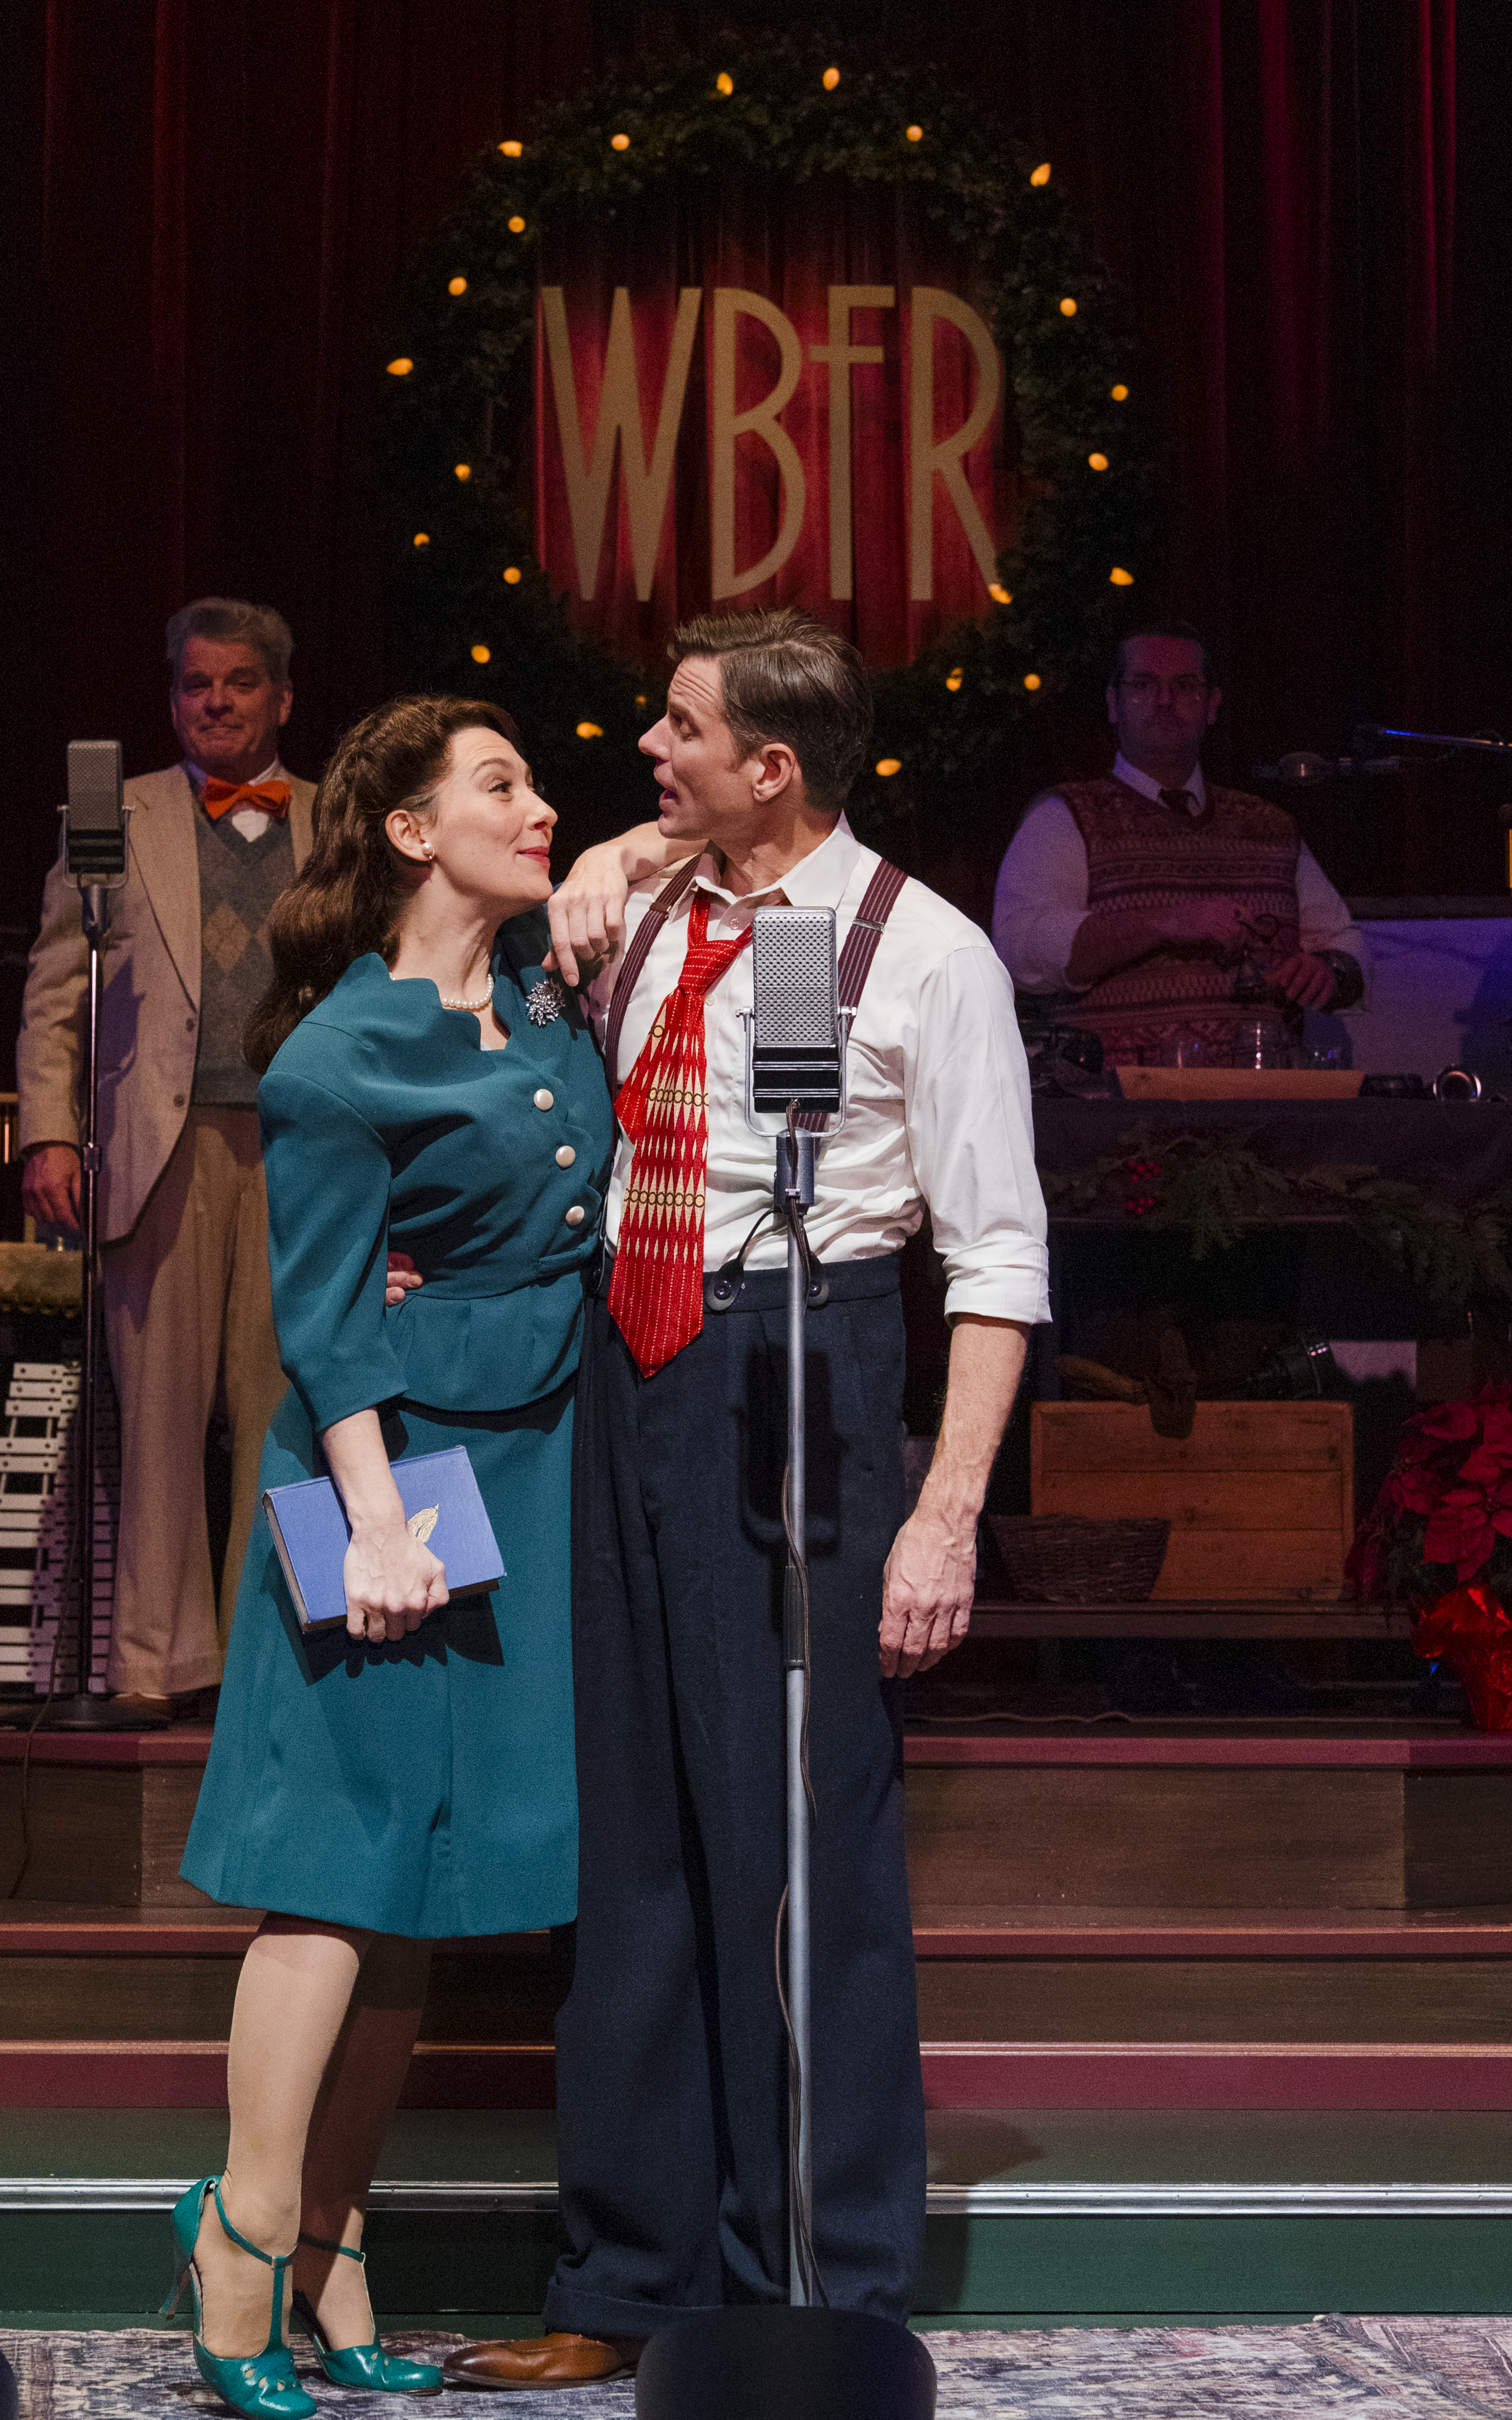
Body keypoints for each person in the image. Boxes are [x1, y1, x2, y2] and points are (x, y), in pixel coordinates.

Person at [438, 608, 1049, 2391]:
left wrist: (942, 1515)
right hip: (627, 1366)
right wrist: (614, 866)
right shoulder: (638, 908)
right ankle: (623, 2274)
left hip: (808, 1369)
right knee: (628, 1843)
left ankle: (816, 2288)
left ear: (769, 765)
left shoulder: (920, 953)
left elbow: (997, 1259)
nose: (647, 747)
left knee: (794, 1842)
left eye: (679, 729)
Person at [173, 693, 610, 2416]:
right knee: (338, 1865)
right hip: (398, 1467)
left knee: (423, 1890)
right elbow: (326, 1315)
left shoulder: (534, 998)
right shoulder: (337, 1054)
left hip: (533, 1450)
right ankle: (244, 2228)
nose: (544, 804)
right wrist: (368, 1519)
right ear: (414, 829)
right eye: (502, 782)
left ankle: (338, 2244)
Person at [17, 596, 316, 1714]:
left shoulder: (336, 820)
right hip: (162, 1144)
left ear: (282, 695)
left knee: (281, 1404)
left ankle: (264, 1660)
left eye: (239, 681)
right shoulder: (118, 815)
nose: (216, 701)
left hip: (298, 1147)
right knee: (158, 1415)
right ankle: (154, 1665)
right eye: (197, 683)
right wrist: (51, 1126)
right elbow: (56, 988)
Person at [990, 620, 1366, 1063]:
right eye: (1143, 685)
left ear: (1212, 705)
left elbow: (1343, 941)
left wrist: (1328, 969)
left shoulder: (1269, 825)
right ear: (1113, 704)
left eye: (1185, 686)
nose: (1164, 701)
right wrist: (1162, 923)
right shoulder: (1065, 815)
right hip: (1119, 1112)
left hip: (1264, 1105)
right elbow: (1019, 952)